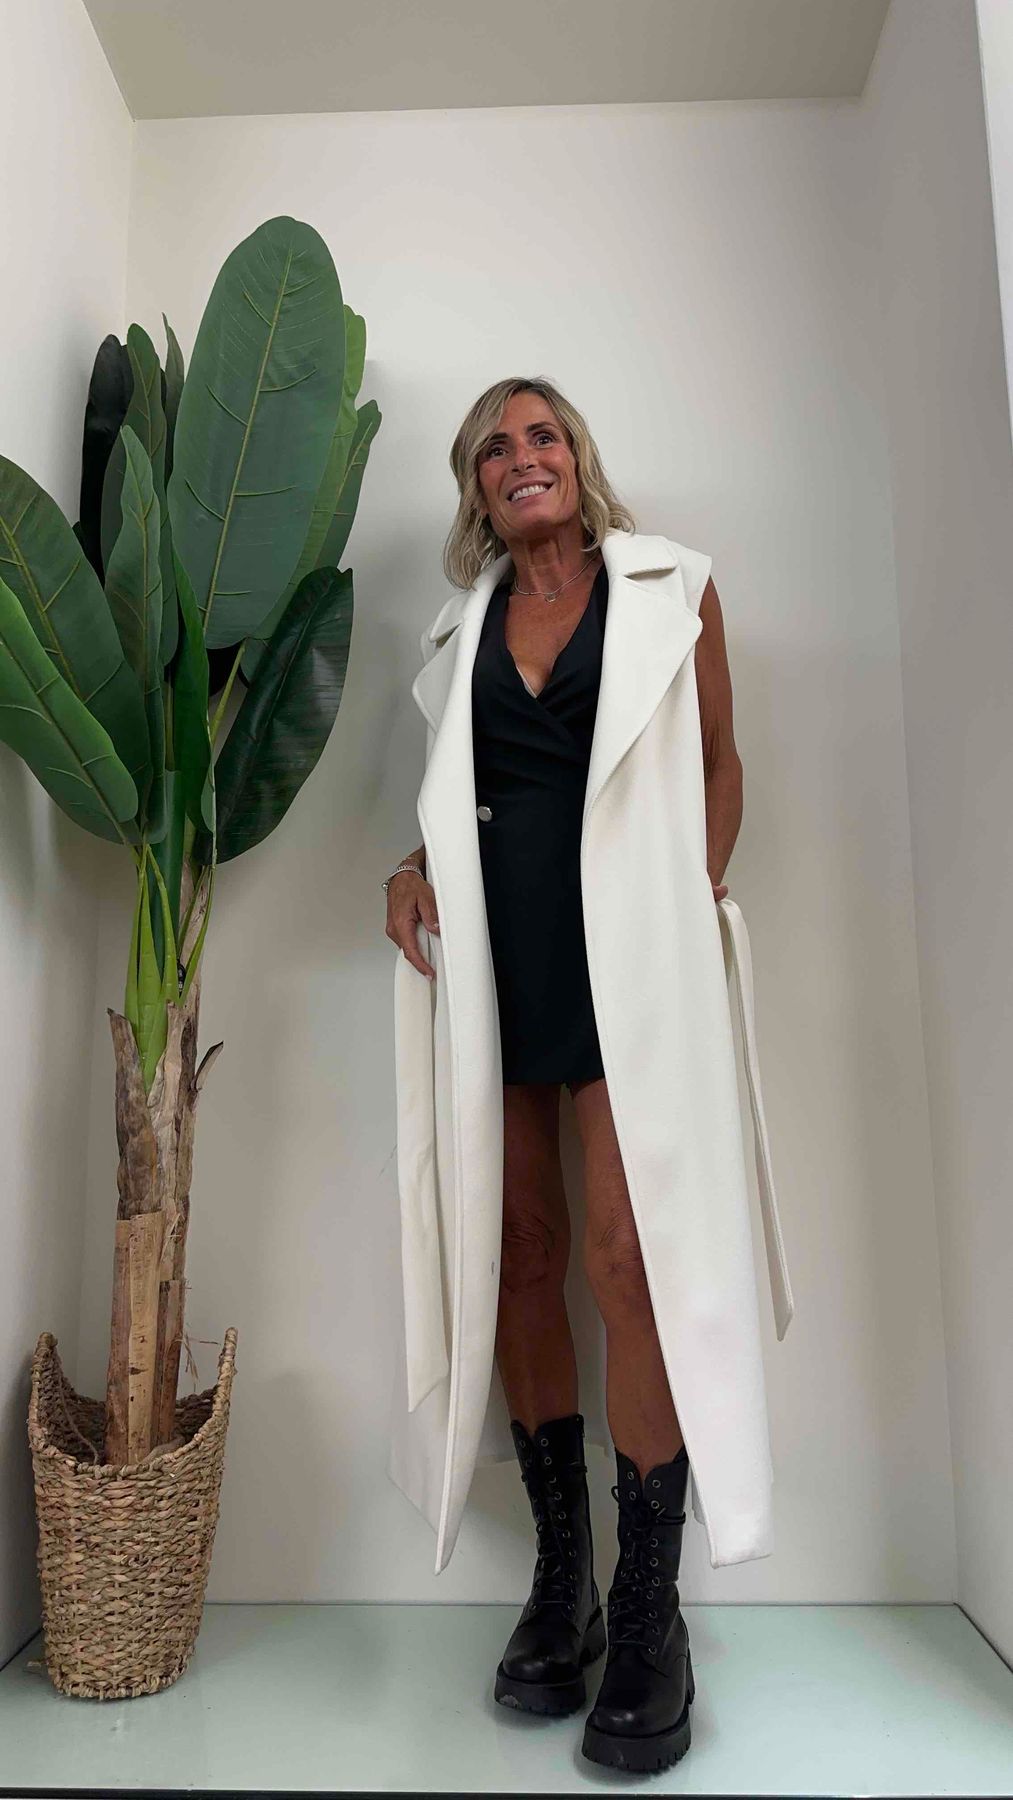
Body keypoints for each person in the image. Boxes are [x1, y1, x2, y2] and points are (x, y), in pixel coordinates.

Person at [382, 376, 764, 1775]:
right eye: (494, 448)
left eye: (540, 435)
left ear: (576, 458)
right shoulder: (462, 631)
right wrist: (410, 868)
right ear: (475, 489)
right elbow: (466, 800)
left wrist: (687, 900)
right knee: (519, 1251)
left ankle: (650, 1612)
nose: (519, 457)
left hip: (626, 975)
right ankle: (565, 1583)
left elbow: (718, 765)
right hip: (500, 968)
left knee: (625, 1259)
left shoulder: (670, 590)